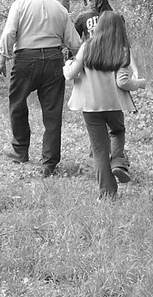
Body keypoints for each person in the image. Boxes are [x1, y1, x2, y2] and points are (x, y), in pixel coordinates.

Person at [0, 0, 82, 177]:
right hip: (53, 59)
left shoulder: (20, 5)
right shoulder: (60, 8)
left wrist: (2, 59)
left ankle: (20, 149)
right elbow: (74, 42)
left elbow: (9, 32)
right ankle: (49, 162)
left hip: (25, 58)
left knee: (17, 103)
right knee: (52, 112)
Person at [63, 11, 148, 200]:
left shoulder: (87, 47)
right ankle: (118, 160)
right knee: (117, 131)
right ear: (120, 29)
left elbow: (70, 74)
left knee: (100, 150)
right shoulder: (121, 49)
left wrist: (66, 66)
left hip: (90, 106)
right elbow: (123, 82)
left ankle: (107, 194)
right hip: (113, 104)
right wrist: (140, 83)